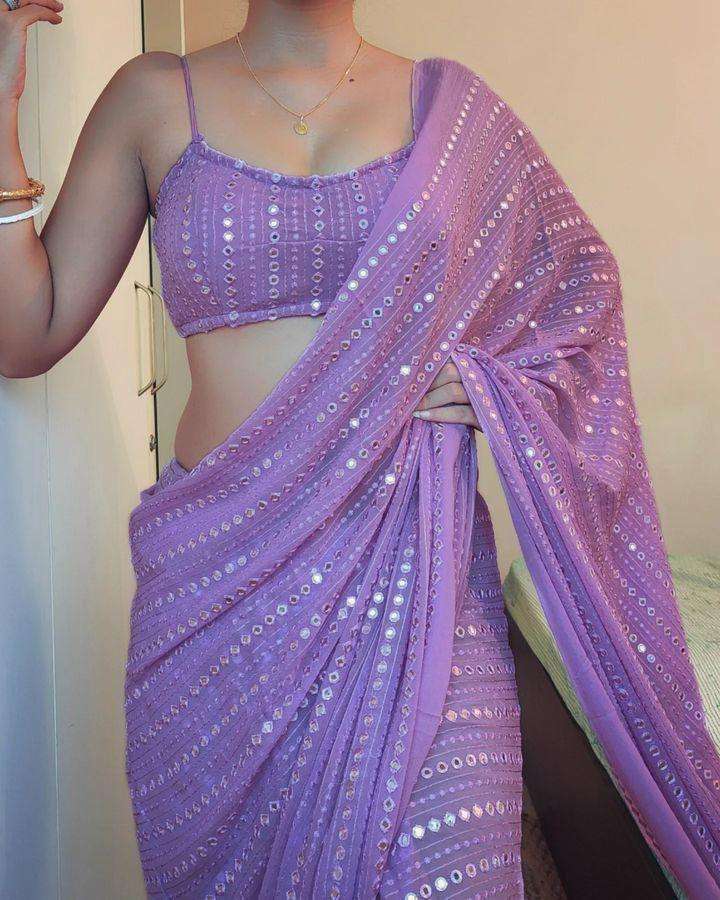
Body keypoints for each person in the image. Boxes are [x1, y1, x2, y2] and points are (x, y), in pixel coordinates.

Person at [2, 2, 719, 898]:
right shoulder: (151, 97)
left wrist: (497, 386)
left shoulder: (452, 112)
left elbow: (580, 295)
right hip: (225, 598)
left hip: (416, 577)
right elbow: (26, 332)